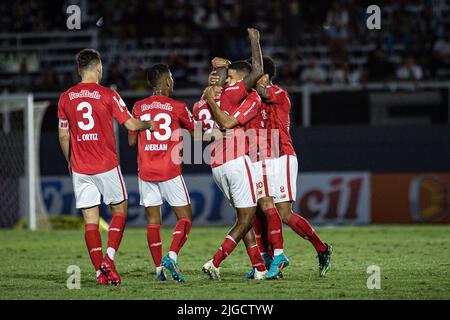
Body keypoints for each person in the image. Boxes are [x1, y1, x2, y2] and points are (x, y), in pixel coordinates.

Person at [57, 48, 154, 285]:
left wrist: (70, 160)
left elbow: (63, 135)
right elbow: (131, 124)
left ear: (79, 70)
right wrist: (148, 124)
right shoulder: (108, 95)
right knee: (119, 211)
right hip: (106, 164)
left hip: (80, 167)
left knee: (90, 220)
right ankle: (108, 261)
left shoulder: (65, 97)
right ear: (98, 68)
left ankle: (100, 274)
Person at [254, 56, 333, 277]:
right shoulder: (253, 98)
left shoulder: (279, 93)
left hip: (282, 156)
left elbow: (262, 92)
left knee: (284, 213)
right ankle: (272, 259)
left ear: (266, 75)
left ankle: (322, 249)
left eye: (255, 73)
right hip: (262, 159)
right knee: (261, 211)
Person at [200, 28, 267, 280]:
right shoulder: (239, 92)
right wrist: (255, 41)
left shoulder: (213, 96)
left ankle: (259, 267)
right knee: (248, 216)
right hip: (236, 160)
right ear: (240, 78)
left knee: (243, 217)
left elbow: (217, 79)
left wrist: (219, 66)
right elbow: (257, 71)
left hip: (216, 165)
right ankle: (215, 261)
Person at [128, 64, 196, 283]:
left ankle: (159, 270)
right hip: (169, 169)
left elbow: (130, 141)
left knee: (153, 222)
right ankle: (172, 255)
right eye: (172, 78)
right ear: (167, 82)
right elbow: (196, 135)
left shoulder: (138, 106)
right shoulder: (178, 106)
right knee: (185, 218)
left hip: (146, 170)